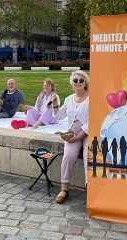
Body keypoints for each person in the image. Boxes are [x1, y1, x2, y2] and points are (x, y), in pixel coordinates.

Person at [51, 70, 89, 204]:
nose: (78, 83)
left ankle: (89, 188)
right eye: (75, 81)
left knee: (88, 156)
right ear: (72, 84)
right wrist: (55, 103)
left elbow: (92, 120)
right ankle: (64, 188)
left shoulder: (91, 98)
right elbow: (59, 116)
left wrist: (79, 137)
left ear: (85, 83)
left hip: (87, 133)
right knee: (68, 156)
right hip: (72, 133)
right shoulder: (68, 99)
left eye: (81, 80)